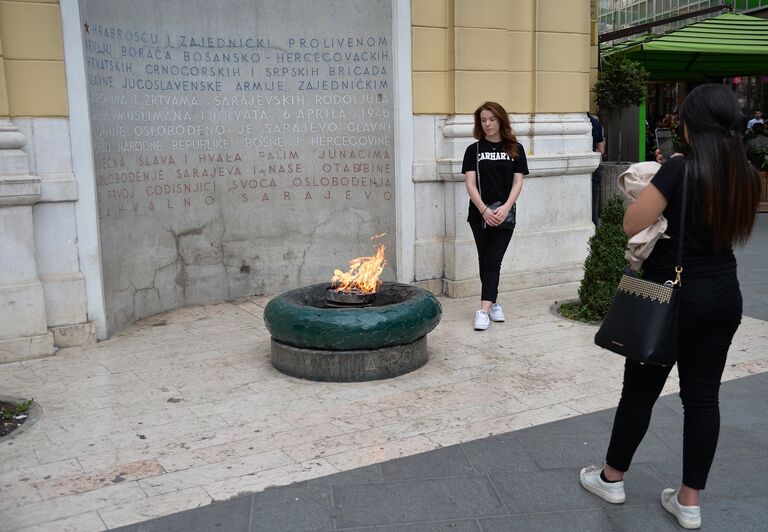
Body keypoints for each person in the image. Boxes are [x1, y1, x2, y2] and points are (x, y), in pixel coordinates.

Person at [579, 84, 761, 529]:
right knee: (703, 400)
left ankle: (612, 477)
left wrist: (661, 179)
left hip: (671, 293)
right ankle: (689, 501)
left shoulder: (679, 169)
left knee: (640, 393)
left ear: (691, 124)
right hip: (723, 294)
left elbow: (630, 224)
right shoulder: (747, 174)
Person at [461, 101, 528, 331]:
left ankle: (483, 310)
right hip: (479, 214)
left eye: (491, 119)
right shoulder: (473, 150)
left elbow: (518, 182)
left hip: (504, 214)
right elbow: (470, 184)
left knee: (493, 261)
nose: (487, 124)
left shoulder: (515, 148)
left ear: (500, 120)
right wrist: (483, 210)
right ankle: (494, 303)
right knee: (485, 260)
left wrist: (507, 206)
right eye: (483, 120)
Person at [588, 112, 605, 225]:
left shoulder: (581, 123)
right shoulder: (595, 123)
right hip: (594, 168)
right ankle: (594, 229)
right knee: (593, 203)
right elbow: (602, 150)